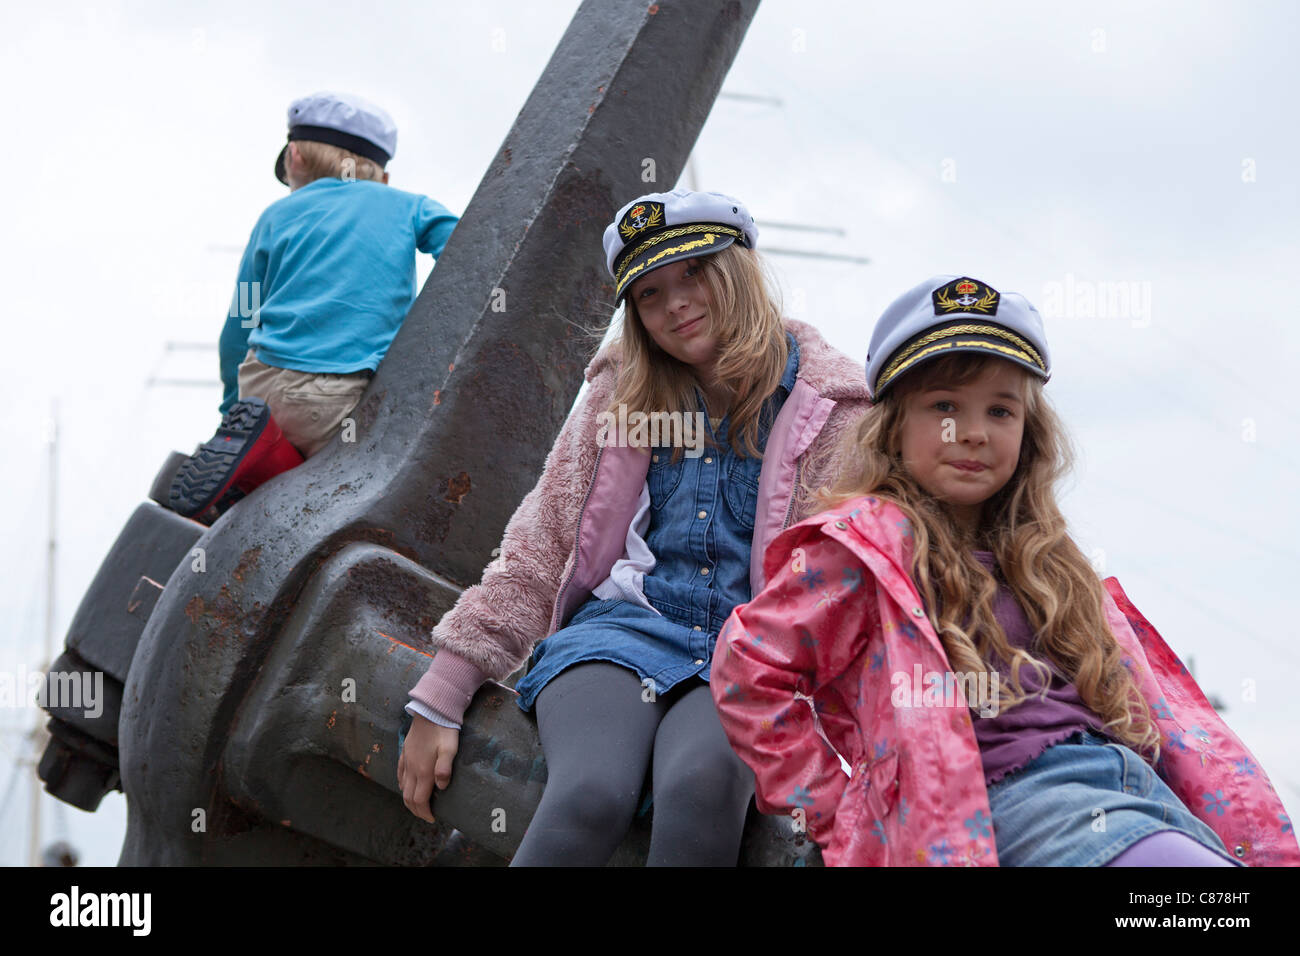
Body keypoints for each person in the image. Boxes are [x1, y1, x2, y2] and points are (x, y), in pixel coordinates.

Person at [710, 275, 1300, 867]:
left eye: (1000, 410)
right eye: (944, 406)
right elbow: (749, 669)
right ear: (893, 424)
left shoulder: (1050, 556)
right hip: (1012, 803)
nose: (973, 431)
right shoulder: (863, 546)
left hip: (1140, 792)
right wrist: (838, 815)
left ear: (1028, 429)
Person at [396, 188, 872, 865]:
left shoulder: (837, 411)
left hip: (752, 659)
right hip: (621, 637)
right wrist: (443, 696)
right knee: (590, 793)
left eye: (693, 274)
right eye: (648, 294)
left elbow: (859, 581)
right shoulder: (622, 397)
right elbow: (542, 544)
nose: (674, 302)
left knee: (702, 791)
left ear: (737, 267)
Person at [168, 91, 459, 518]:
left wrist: (233, 409)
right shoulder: (409, 207)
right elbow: (468, 246)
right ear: (384, 178)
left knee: (294, 468)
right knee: (352, 489)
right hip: (339, 395)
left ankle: (256, 449)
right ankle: (261, 457)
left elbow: (242, 320)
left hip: (262, 383)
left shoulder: (273, 218)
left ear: (295, 159)